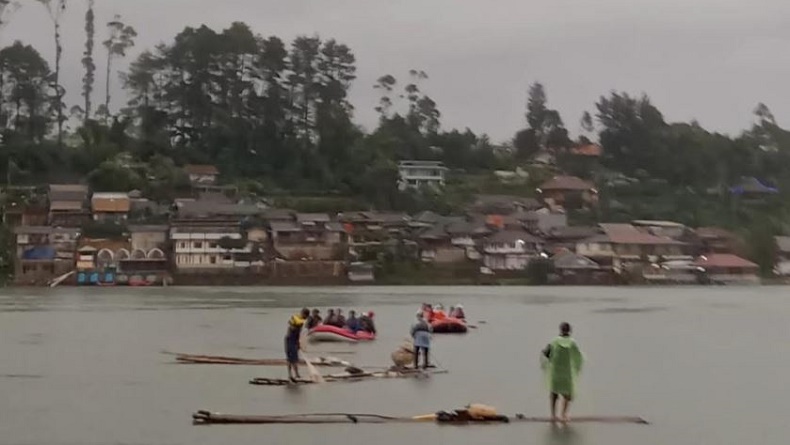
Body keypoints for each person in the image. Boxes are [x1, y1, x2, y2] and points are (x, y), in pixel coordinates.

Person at [541, 322, 584, 422]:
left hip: (556, 371)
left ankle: (553, 415)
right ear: (569, 331)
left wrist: (549, 360)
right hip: (567, 371)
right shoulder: (572, 342)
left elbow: (546, 352)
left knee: (554, 393)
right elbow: (578, 356)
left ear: (560, 330)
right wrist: (578, 367)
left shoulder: (554, 341)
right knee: (567, 394)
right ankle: (563, 415)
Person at [285, 308, 310, 382]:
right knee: (290, 359)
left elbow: (299, 332)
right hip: (290, 339)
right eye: (305, 315)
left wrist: (299, 343)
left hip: (294, 340)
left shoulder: (301, 321)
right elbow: (292, 327)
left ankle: (296, 374)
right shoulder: (297, 319)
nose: (305, 318)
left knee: (295, 358)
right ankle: (291, 375)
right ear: (303, 314)